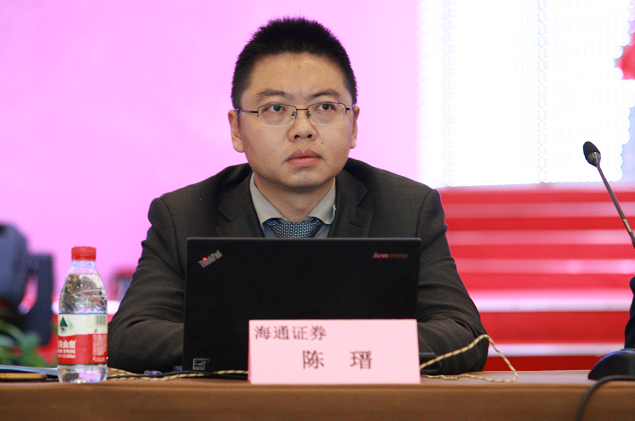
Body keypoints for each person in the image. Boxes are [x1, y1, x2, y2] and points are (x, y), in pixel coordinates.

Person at [108, 17, 488, 374]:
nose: (303, 128)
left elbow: (464, 335)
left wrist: (319, 348)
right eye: (276, 108)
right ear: (237, 130)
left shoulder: (407, 208)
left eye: (324, 107)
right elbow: (130, 335)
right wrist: (282, 348)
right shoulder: (184, 215)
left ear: (353, 125)